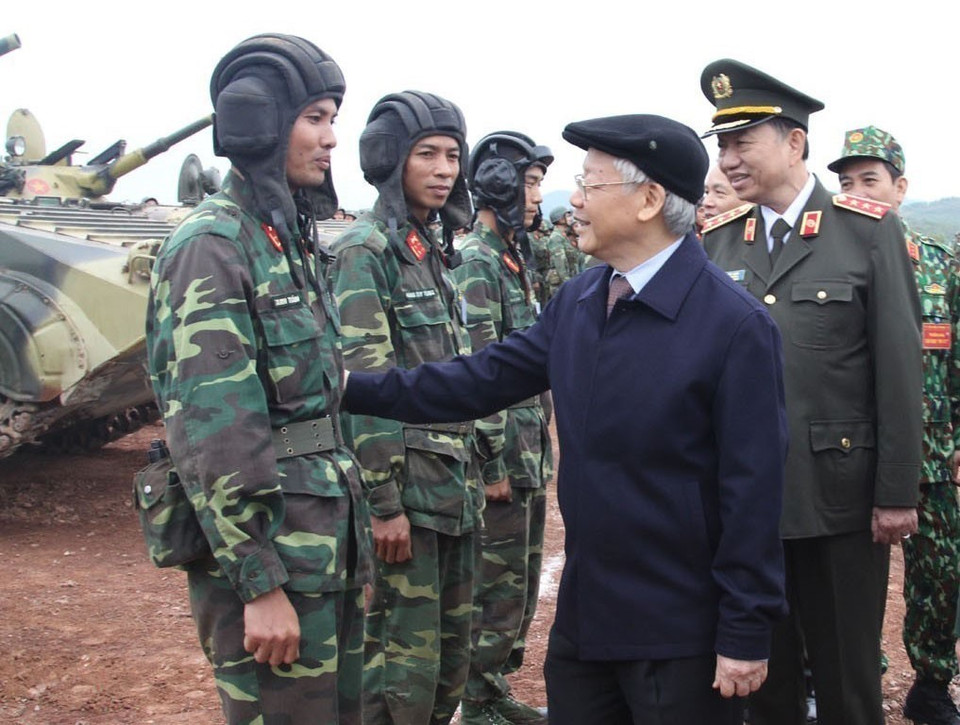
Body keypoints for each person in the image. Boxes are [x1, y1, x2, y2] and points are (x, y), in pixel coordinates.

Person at [343, 113, 789, 725]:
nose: (573, 199)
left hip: (679, 630)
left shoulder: (733, 327)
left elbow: (754, 492)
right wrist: (348, 388)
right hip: (587, 619)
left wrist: (745, 629)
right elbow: (479, 380)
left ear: (649, 200)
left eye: (590, 184)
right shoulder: (583, 300)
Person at [145, 34, 373, 724]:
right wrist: (258, 583)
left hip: (323, 540)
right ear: (261, 124)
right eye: (316, 118)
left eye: (333, 119)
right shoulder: (213, 246)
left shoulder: (285, 238)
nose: (332, 139)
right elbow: (216, 431)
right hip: (274, 559)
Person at [699, 59, 923, 725]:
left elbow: (899, 370)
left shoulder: (868, 231)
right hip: (747, 508)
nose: (729, 158)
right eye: (722, 145)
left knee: (849, 680)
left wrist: (895, 492)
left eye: (743, 141)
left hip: (841, 504)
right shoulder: (718, 242)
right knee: (764, 688)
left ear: (794, 142)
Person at [329, 90, 481, 725]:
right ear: (393, 161)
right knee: (399, 672)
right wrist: (383, 504)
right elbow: (363, 384)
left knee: (448, 664)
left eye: (452, 155)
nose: (444, 169)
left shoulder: (428, 249)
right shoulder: (366, 251)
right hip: (406, 503)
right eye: (428, 155)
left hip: (451, 489)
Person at [829, 126, 960, 725]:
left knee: (942, 575)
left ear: (900, 188)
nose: (858, 192)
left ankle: (931, 681)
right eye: (846, 183)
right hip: (854, 454)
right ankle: (861, 676)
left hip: (933, 451)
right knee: (852, 581)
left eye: (870, 181)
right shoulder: (830, 255)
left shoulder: (939, 265)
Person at [453, 131, 555, 725]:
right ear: (497, 184)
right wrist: (490, 461)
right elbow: (479, 368)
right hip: (503, 459)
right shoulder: (477, 261)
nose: (537, 193)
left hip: (528, 452)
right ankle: (478, 700)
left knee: (516, 585)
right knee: (493, 585)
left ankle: (491, 691)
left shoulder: (513, 259)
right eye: (532, 180)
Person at [543, 206, 571, 299]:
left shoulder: (563, 236)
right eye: (567, 216)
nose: (570, 218)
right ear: (560, 219)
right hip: (560, 283)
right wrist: (568, 283)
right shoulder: (556, 238)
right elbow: (560, 263)